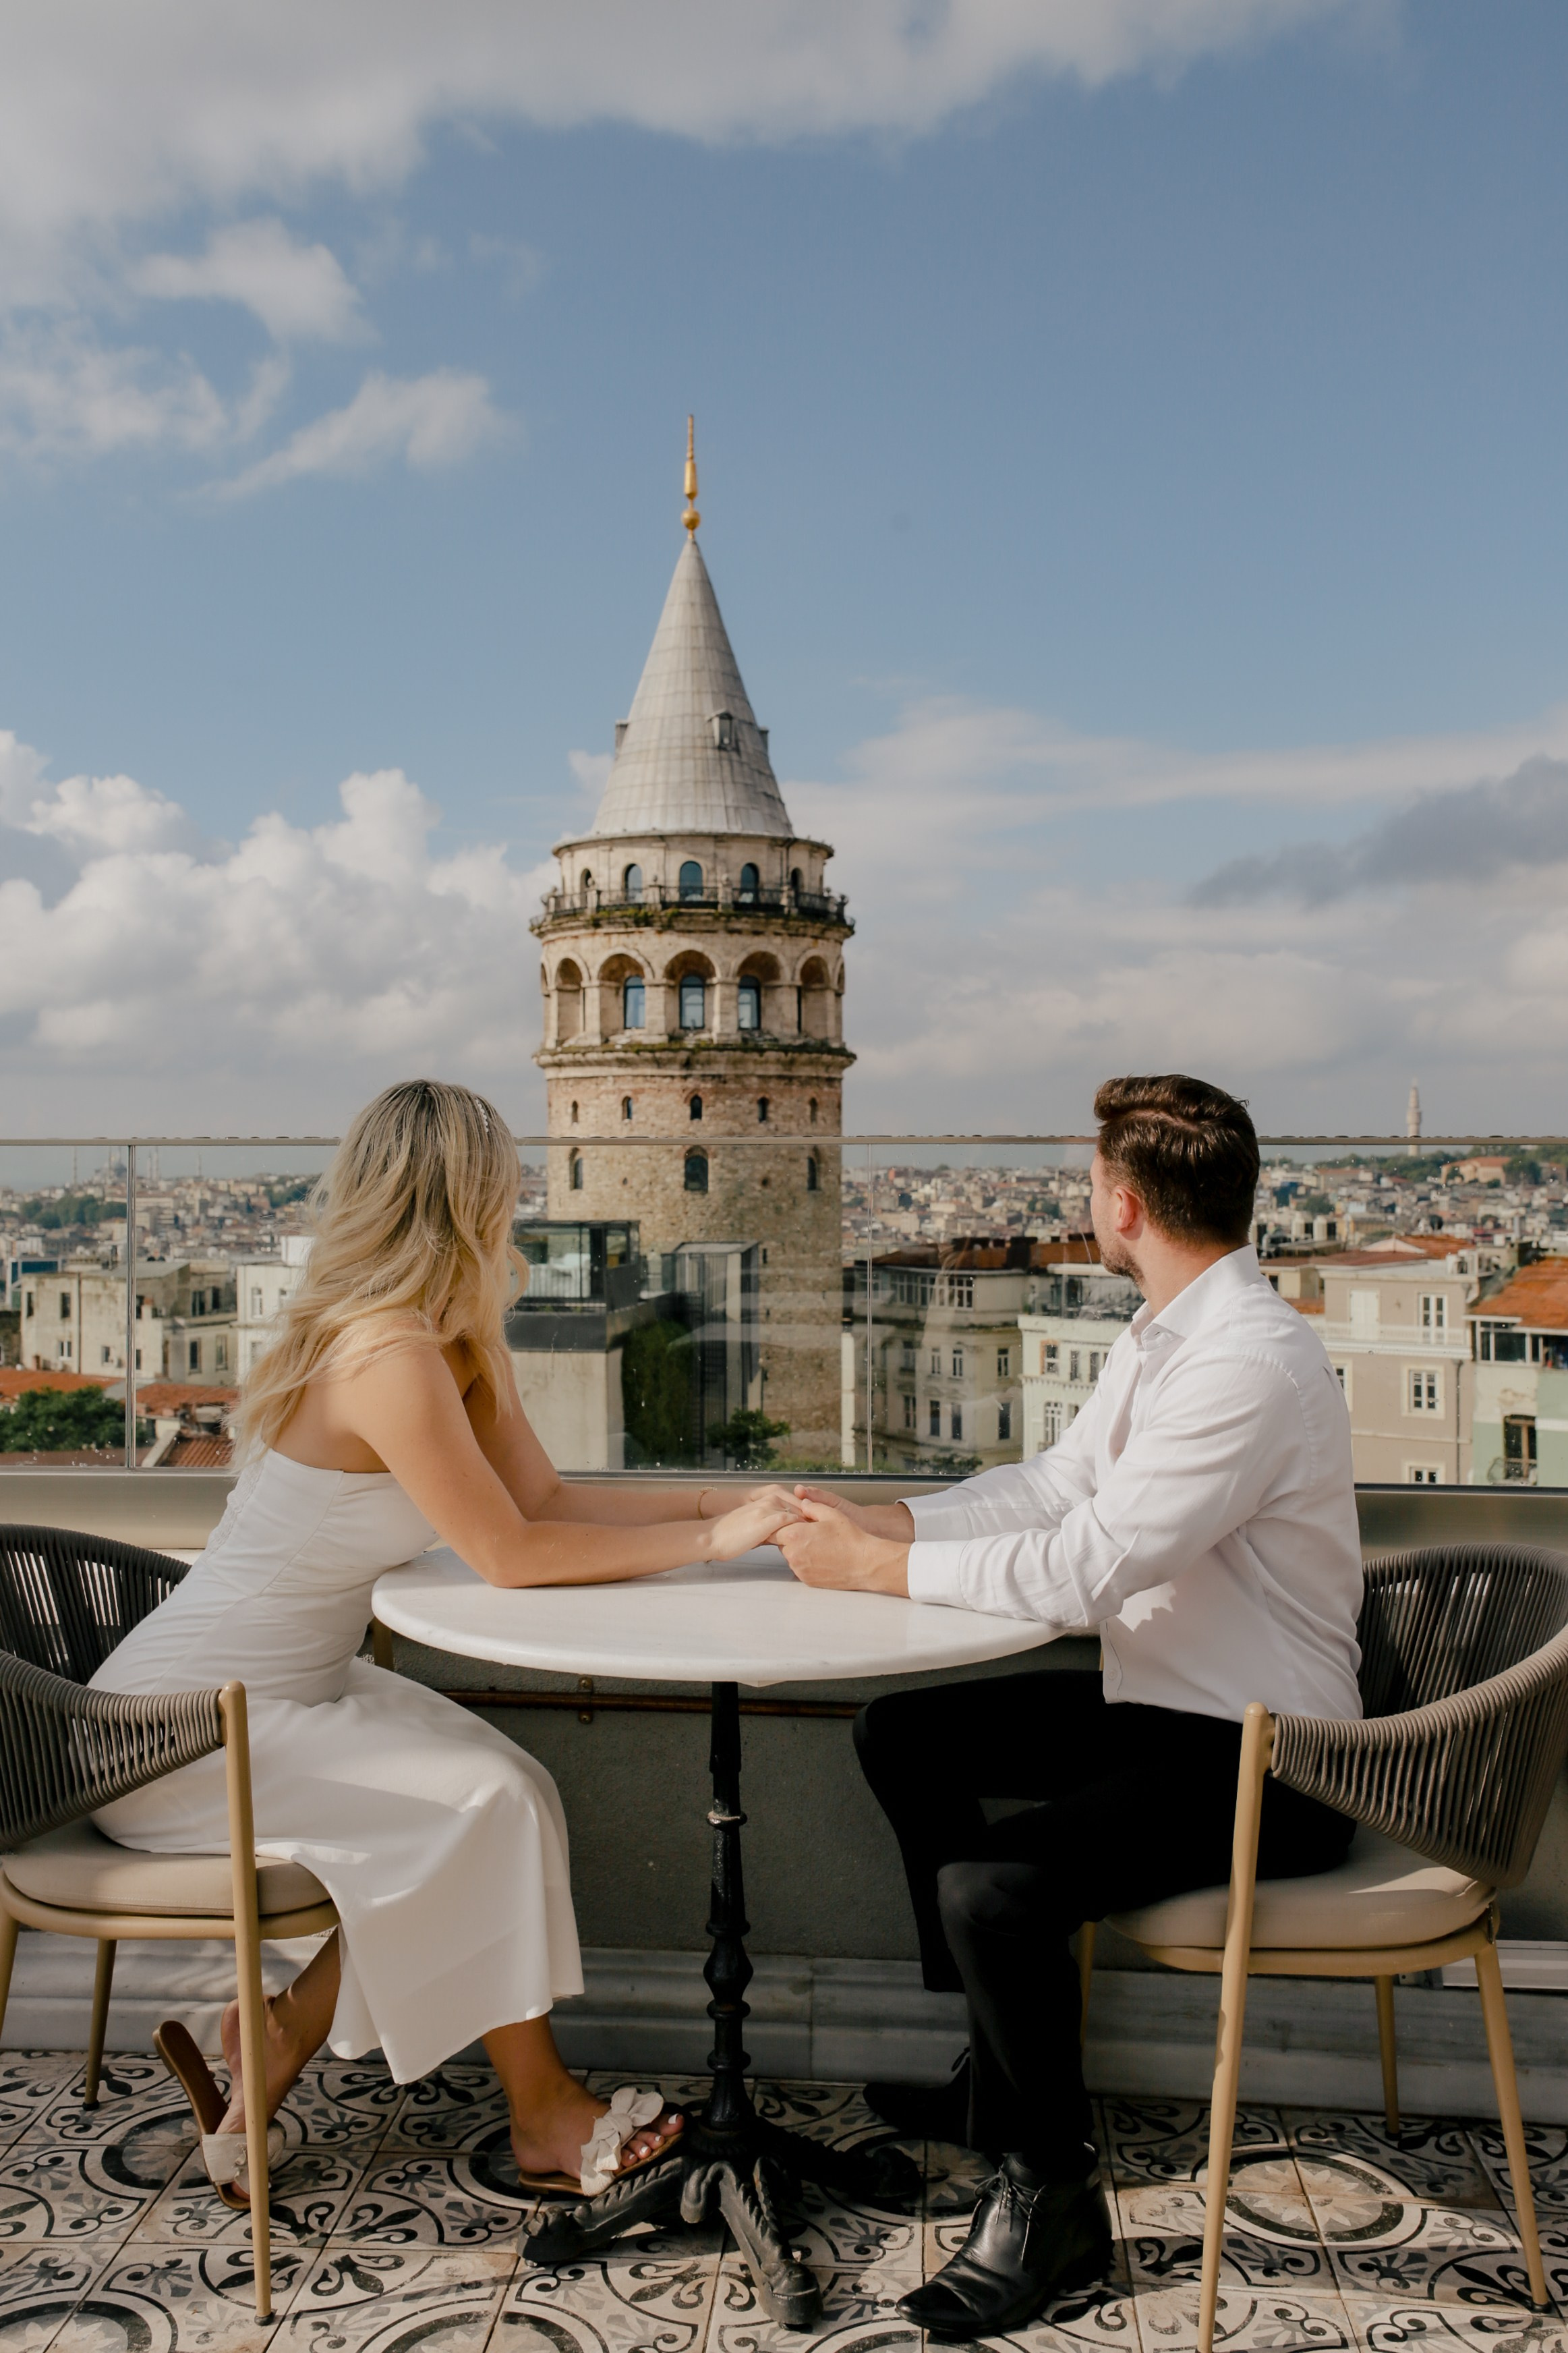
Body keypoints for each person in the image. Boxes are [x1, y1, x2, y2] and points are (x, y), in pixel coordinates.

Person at [91, 1079, 801, 2205]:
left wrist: (732, 1507)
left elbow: (546, 1500)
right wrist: (713, 1542)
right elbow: (509, 1552)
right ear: (472, 1195)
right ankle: (540, 2113)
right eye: (506, 1180)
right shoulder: (386, 1353)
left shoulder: (445, 1335)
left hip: (288, 1691)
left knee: (507, 1795)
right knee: (488, 1808)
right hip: (177, 1732)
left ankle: (280, 2034)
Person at [777, 1074, 1363, 2342]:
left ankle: (1048, 2194)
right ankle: (998, 2073)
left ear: (1125, 1204)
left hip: (1278, 1759)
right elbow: (1054, 1487)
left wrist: (880, 1571)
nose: (1082, 1204)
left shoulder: (1246, 1362)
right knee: (905, 1734)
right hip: (1175, 1710)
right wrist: (893, 1522)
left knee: (991, 1890)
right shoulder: (1167, 1334)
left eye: (1088, 1184)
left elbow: (1086, 1568)